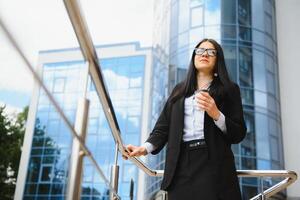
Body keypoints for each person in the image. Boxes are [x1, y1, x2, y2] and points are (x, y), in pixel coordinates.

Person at [123, 38, 247, 200]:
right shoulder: (179, 91)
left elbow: (239, 133)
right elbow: (163, 127)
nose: (205, 54)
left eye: (211, 52)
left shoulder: (229, 89)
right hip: (180, 164)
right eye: (200, 51)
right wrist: (143, 148)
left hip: (212, 162)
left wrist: (216, 113)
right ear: (194, 57)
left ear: (218, 60)